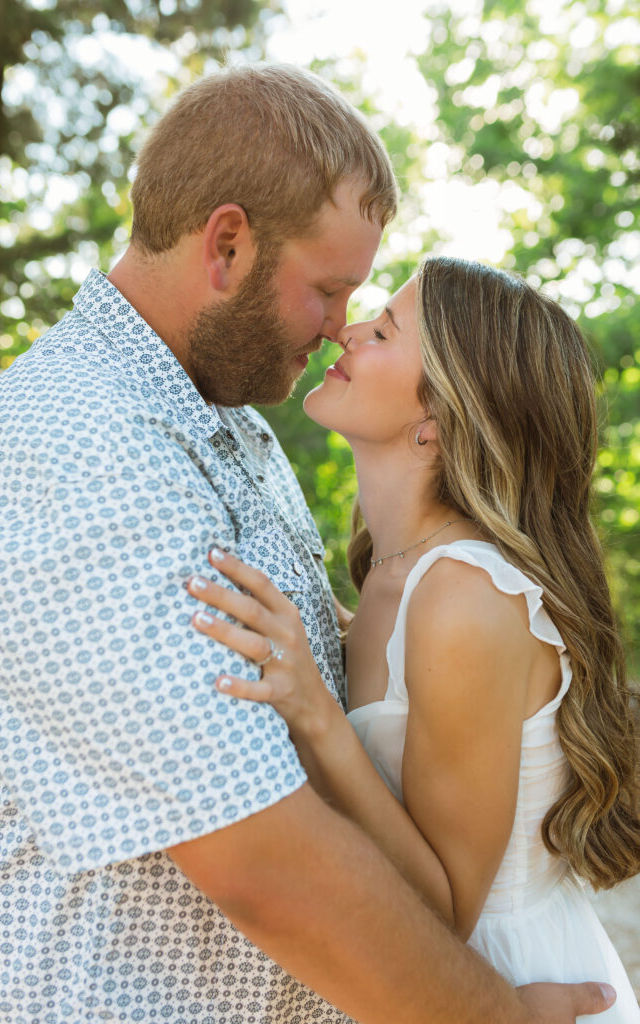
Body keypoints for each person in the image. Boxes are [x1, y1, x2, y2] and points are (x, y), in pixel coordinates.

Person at [0, 63, 618, 1024]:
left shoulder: (229, 424)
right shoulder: (78, 443)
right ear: (227, 245)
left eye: (370, 312)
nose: (342, 327)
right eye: (330, 289)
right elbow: (259, 860)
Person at [188, 256, 640, 1021]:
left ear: (436, 421)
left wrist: (317, 714)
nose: (347, 329)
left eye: (383, 331)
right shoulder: (394, 575)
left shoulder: (464, 597)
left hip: (500, 983)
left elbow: (449, 908)